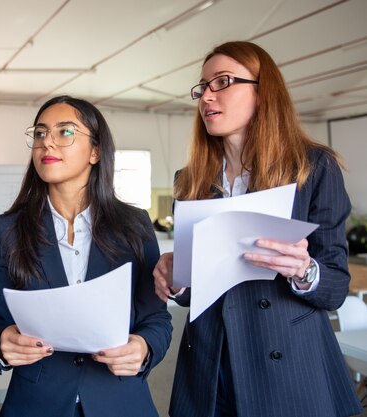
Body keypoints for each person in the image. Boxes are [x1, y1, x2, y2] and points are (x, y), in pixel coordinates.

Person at [153, 41, 362, 417]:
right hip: (210, 362)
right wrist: (177, 280)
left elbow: (334, 287)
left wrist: (304, 269)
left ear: (263, 93)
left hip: (288, 362)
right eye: (203, 87)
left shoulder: (313, 168)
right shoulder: (189, 180)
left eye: (223, 82)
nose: (206, 97)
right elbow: (189, 296)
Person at [0, 95, 172, 417]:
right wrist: (2, 342)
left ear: (95, 152)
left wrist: (144, 347)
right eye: (40, 134)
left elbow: (156, 319)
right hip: (37, 402)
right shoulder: (9, 229)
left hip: (120, 399)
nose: (47, 144)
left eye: (65, 132)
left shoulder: (133, 225)